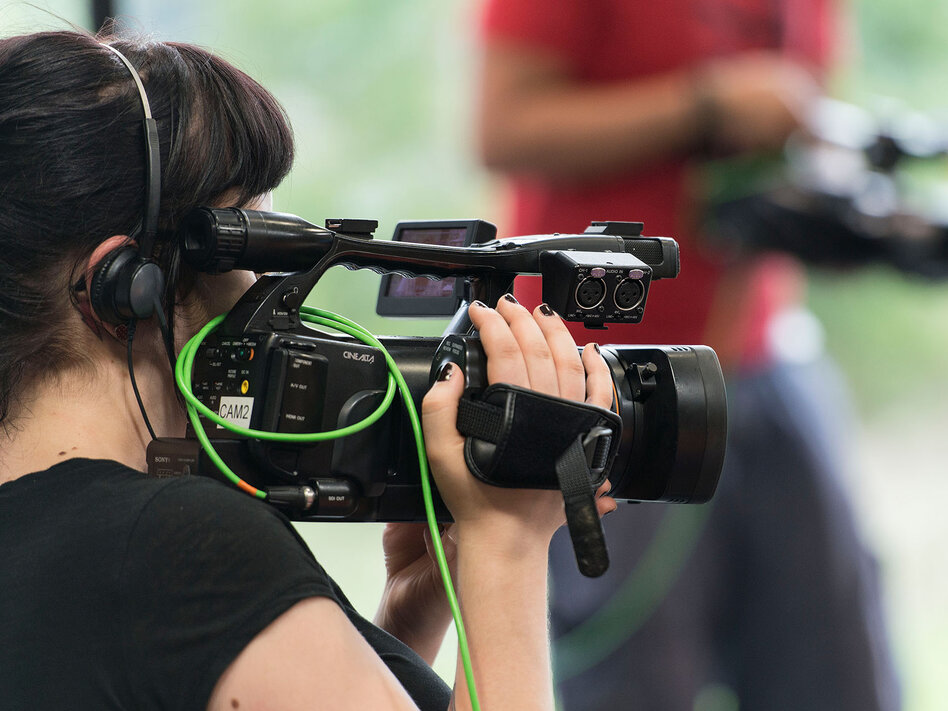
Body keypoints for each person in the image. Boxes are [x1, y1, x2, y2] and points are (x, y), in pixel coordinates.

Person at [0, 30, 618, 711]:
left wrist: (402, 623)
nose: (264, 286)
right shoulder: (180, 547)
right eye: (248, 244)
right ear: (120, 286)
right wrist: (507, 545)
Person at [476, 1, 901, 709]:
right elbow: (501, 126)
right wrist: (704, 109)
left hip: (763, 354)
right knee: (635, 678)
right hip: (601, 379)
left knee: (838, 665)